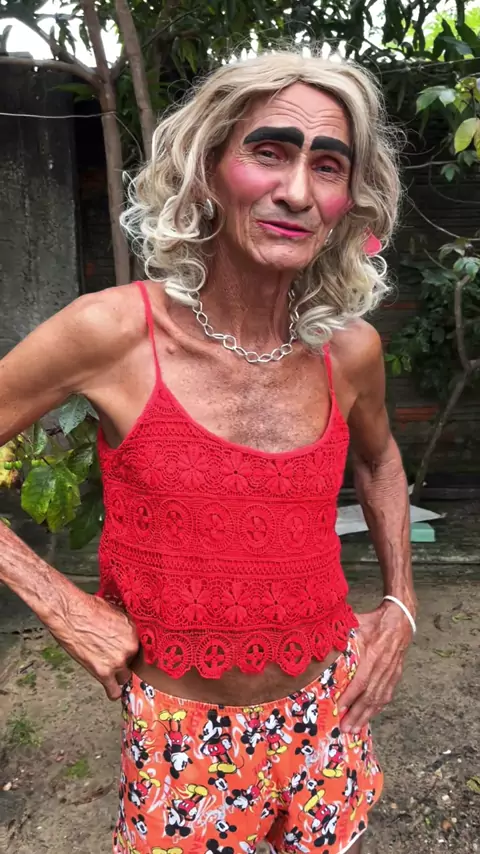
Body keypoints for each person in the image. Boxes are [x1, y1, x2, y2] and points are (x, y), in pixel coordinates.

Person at [0, 50, 417, 854]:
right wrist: (61, 605)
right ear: (208, 169)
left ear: (346, 203)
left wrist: (400, 603)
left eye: (327, 166)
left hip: (329, 710)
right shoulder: (112, 334)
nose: (297, 191)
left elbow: (379, 460)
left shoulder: (350, 352)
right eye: (270, 151)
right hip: (182, 740)